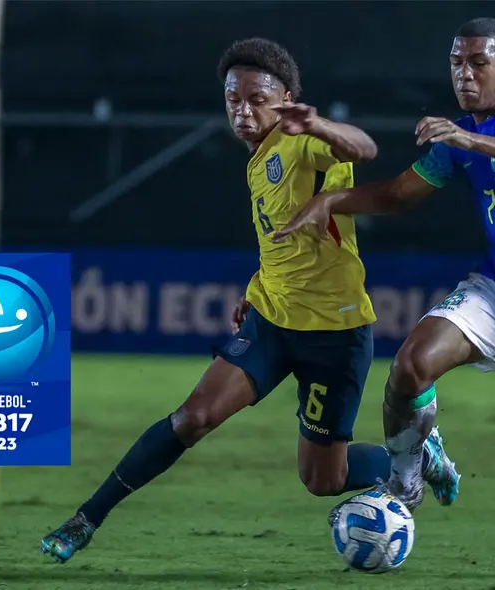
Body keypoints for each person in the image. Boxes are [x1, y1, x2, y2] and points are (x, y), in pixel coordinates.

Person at [40, 38, 459, 565]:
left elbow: (363, 148)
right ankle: (86, 519)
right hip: (271, 323)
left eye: (257, 99)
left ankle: (415, 452)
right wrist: (256, 283)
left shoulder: (302, 140)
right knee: (192, 418)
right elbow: (280, 236)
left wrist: (319, 126)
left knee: (321, 479)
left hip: (335, 336)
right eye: (233, 99)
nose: (243, 110)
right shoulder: (258, 158)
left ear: (286, 98)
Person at [274, 17, 495, 515]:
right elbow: (397, 194)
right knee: (410, 367)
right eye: (456, 63)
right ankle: (404, 486)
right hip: (493, 290)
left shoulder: (466, 140)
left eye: (478, 63)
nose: (464, 74)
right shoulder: (459, 139)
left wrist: (472, 143)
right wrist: (332, 199)